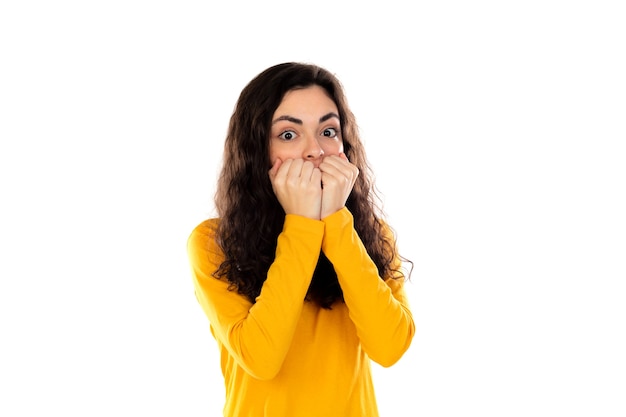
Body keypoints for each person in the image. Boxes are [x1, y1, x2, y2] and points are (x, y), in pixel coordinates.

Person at [187, 62, 414, 417]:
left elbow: (390, 348)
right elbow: (260, 359)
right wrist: (302, 224)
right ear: (257, 149)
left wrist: (337, 225)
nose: (315, 150)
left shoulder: (372, 236)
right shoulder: (212, 242)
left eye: (328, 131)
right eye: (289, 135)